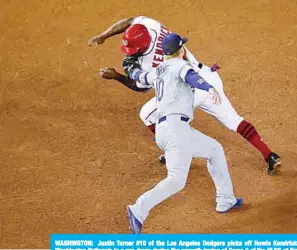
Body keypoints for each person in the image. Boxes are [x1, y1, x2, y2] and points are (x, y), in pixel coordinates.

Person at [88, 16, 281, 175]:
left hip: (185, 93)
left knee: (147, 114)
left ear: (142, 46)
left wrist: (116, 77)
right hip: (207, 79)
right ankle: (269, 155)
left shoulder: (152, 64)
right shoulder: (149, 25)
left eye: (133, 50)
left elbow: (140, 88)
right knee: (234, 120)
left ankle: (177, 152)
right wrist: (104, 35)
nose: (130, 53)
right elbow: (130, 21)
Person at [125, 33, 243, 234]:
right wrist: (209, 87)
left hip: (168, 130)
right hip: (176, 130)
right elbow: (192, 77)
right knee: (176, 180)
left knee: (215, 149)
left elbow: (139, 77)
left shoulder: (158, 70)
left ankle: (226, 200)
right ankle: (139, 209)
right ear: (180, 50)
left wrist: (131, 68)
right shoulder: (180, 65)